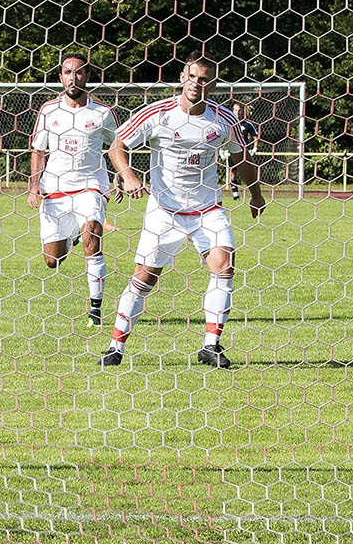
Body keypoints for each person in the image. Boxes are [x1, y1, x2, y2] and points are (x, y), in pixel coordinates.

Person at [102, 53, 267, 369]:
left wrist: (255, 195)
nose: (196, 83)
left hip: (207, 209)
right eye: (192, 77)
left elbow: (242, 160)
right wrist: (128, 175)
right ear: (182, 77)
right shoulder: (157, 113)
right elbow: (117, 145)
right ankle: (115, 346)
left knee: (224, 265)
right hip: (165, 211)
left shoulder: (224, 120)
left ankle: (211, 345)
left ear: (213, 84)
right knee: (144, 278)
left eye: (204, 79)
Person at [26, 54, 117, 326]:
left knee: (93, 238)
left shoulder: (103, 112)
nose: (73, 78)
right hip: (55, 188)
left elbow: (116, 146)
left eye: (78, 73)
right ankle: (72, 235)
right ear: (60, 77)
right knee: (52, 260)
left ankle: (96, 311)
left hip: (91, 185)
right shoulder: (49, 110)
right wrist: (33, 186)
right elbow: (38, 150)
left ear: (87, 77)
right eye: (67, 72)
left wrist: (122, 176)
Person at [229, 100, 260, 200]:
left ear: (243, 112)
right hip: (232, 152)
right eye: (235, 110)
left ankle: (252, 194)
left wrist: (254, 148)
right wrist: (222, 150)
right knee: (233, 172)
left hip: (244, 153)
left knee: (246, 173)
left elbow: (255, 137)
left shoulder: (247, 124)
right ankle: (235, 195)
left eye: (239, 110)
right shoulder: (229, 123)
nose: (237, 112)